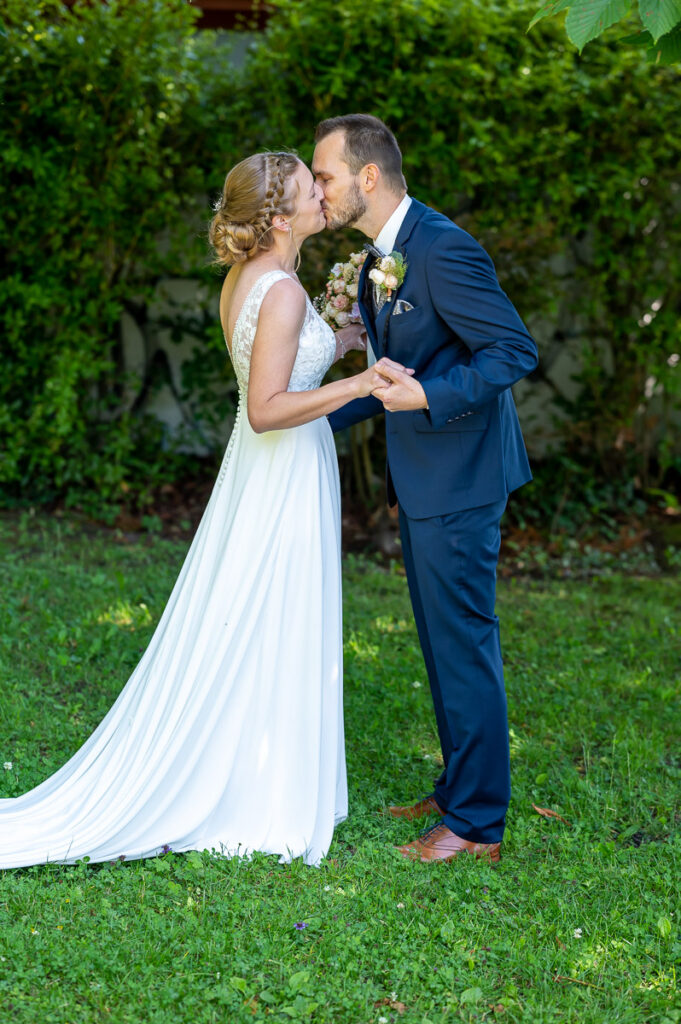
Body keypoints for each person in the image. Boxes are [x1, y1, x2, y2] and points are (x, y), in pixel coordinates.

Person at [0, 151, 397, 870]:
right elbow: (268, 407)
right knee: (266, 612)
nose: (323, 198)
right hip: (278, 467)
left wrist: (335, 342)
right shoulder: (276, 289)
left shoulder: (257, 280)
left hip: (268, 469)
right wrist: (361, 382)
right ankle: (256, 788)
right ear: (279, 218)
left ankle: (264, 766)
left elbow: (279, 368)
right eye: (313, 190)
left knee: (260, 614)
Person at [312, 115, 538, 864]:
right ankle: (456, 788)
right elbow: (386, 375)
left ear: (367, 177)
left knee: (462, 642)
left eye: (325, 177)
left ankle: (475, 825)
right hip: (424, 478)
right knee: (441, 645)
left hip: (461, 476)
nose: (319, 191)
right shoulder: (384, 253)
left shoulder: (439, 249)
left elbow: (512, 349)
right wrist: (303, 421)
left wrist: (430, 396)